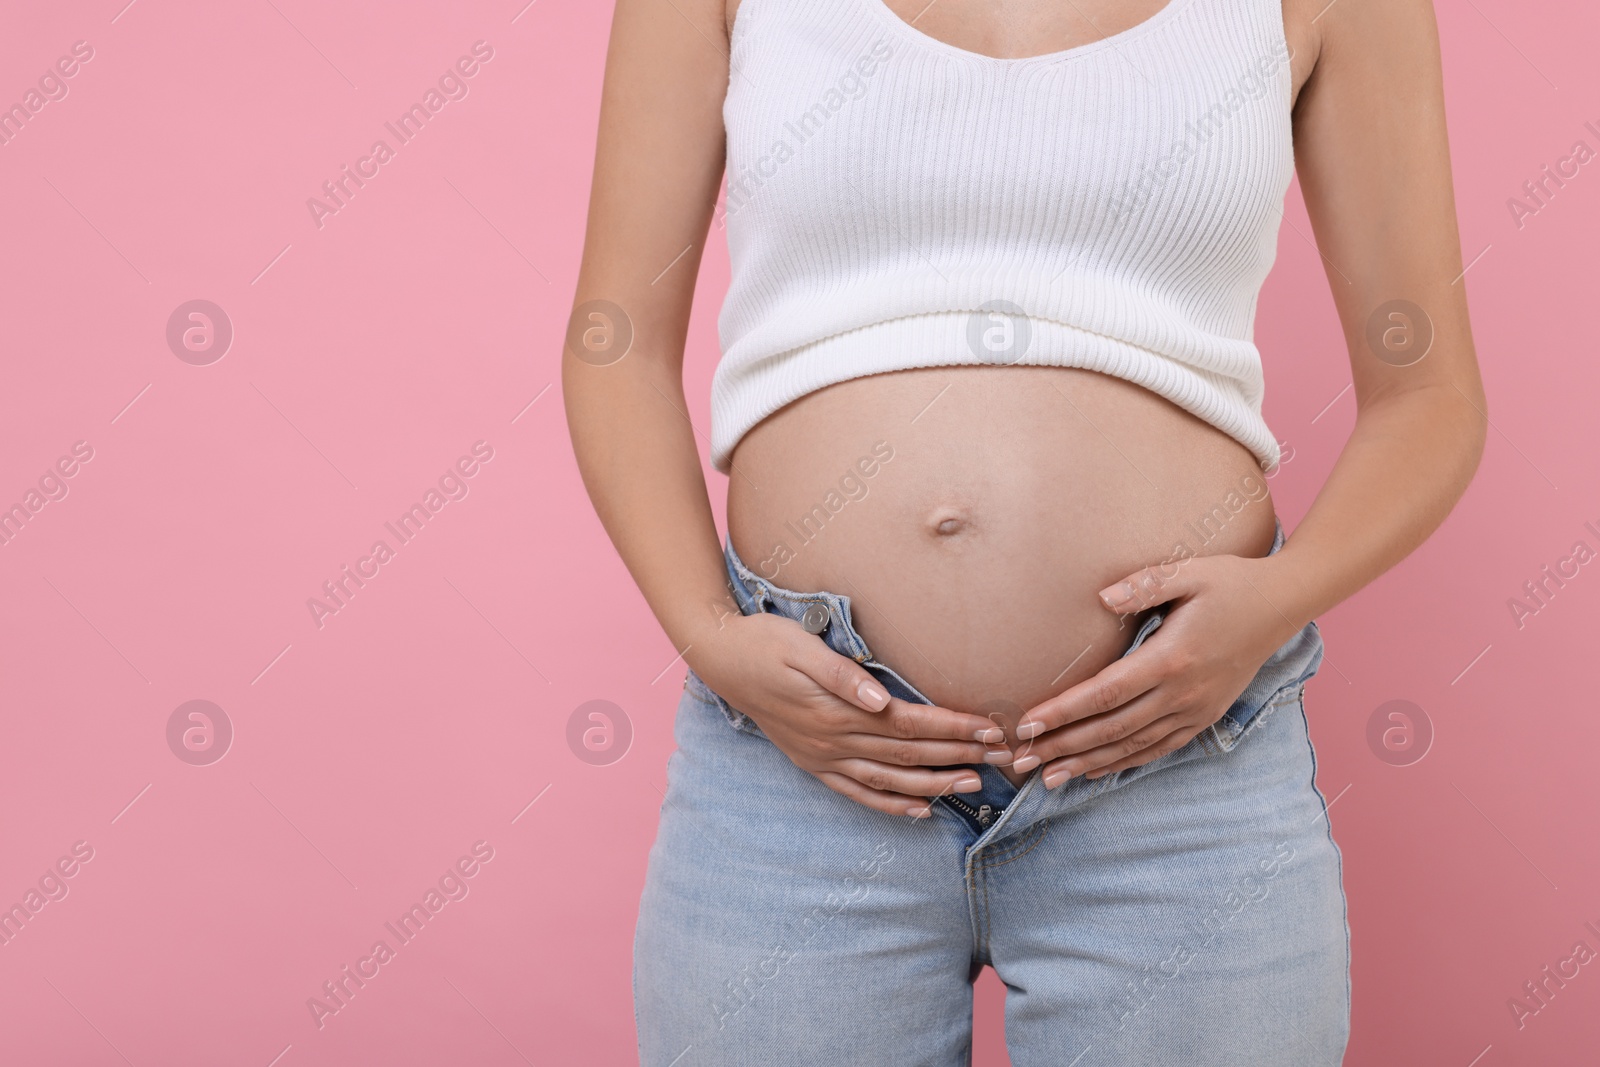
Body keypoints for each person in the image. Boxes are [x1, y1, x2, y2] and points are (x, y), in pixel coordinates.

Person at [563, 0, 1484, 1062]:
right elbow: (613, 343)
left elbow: (1429, 398)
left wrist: (1276, 598)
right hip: (802, 757)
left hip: (1176, 763)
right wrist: (707, 633)